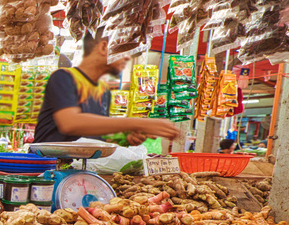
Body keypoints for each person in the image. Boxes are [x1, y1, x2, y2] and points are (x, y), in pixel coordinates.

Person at [33, 33, 181, 145]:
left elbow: (97, 137)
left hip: (82, 170)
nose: (127, 58)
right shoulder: (63, 77)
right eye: (124, 51)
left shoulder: (103, 91)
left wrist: (125, 139)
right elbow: (70, 124)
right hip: (45, 169)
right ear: (104, 47)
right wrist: (139, 122)